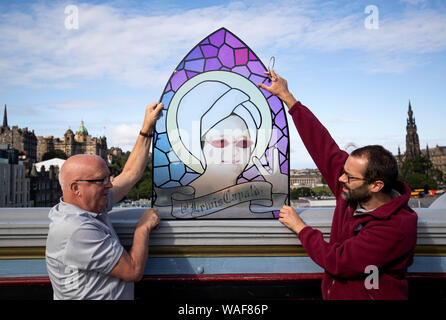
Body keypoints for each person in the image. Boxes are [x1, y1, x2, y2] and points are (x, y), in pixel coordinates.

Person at [259, 70, 418, 300]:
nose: (340, 179)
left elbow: (338, 261)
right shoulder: (353, 191)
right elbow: (322, 145)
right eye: (344, 173)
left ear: (376, 185)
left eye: (349, 177)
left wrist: (300, 227)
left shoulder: (396, 227)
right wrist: (288, 98)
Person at [45, 102, 164, 300]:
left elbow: (130, 174)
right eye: (102, 181)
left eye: (109, 178)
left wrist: (147, 128)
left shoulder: (85, 205)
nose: (109, 185)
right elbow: (133, 270)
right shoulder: (76, 229)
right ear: (76, 188)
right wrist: (143, 228)